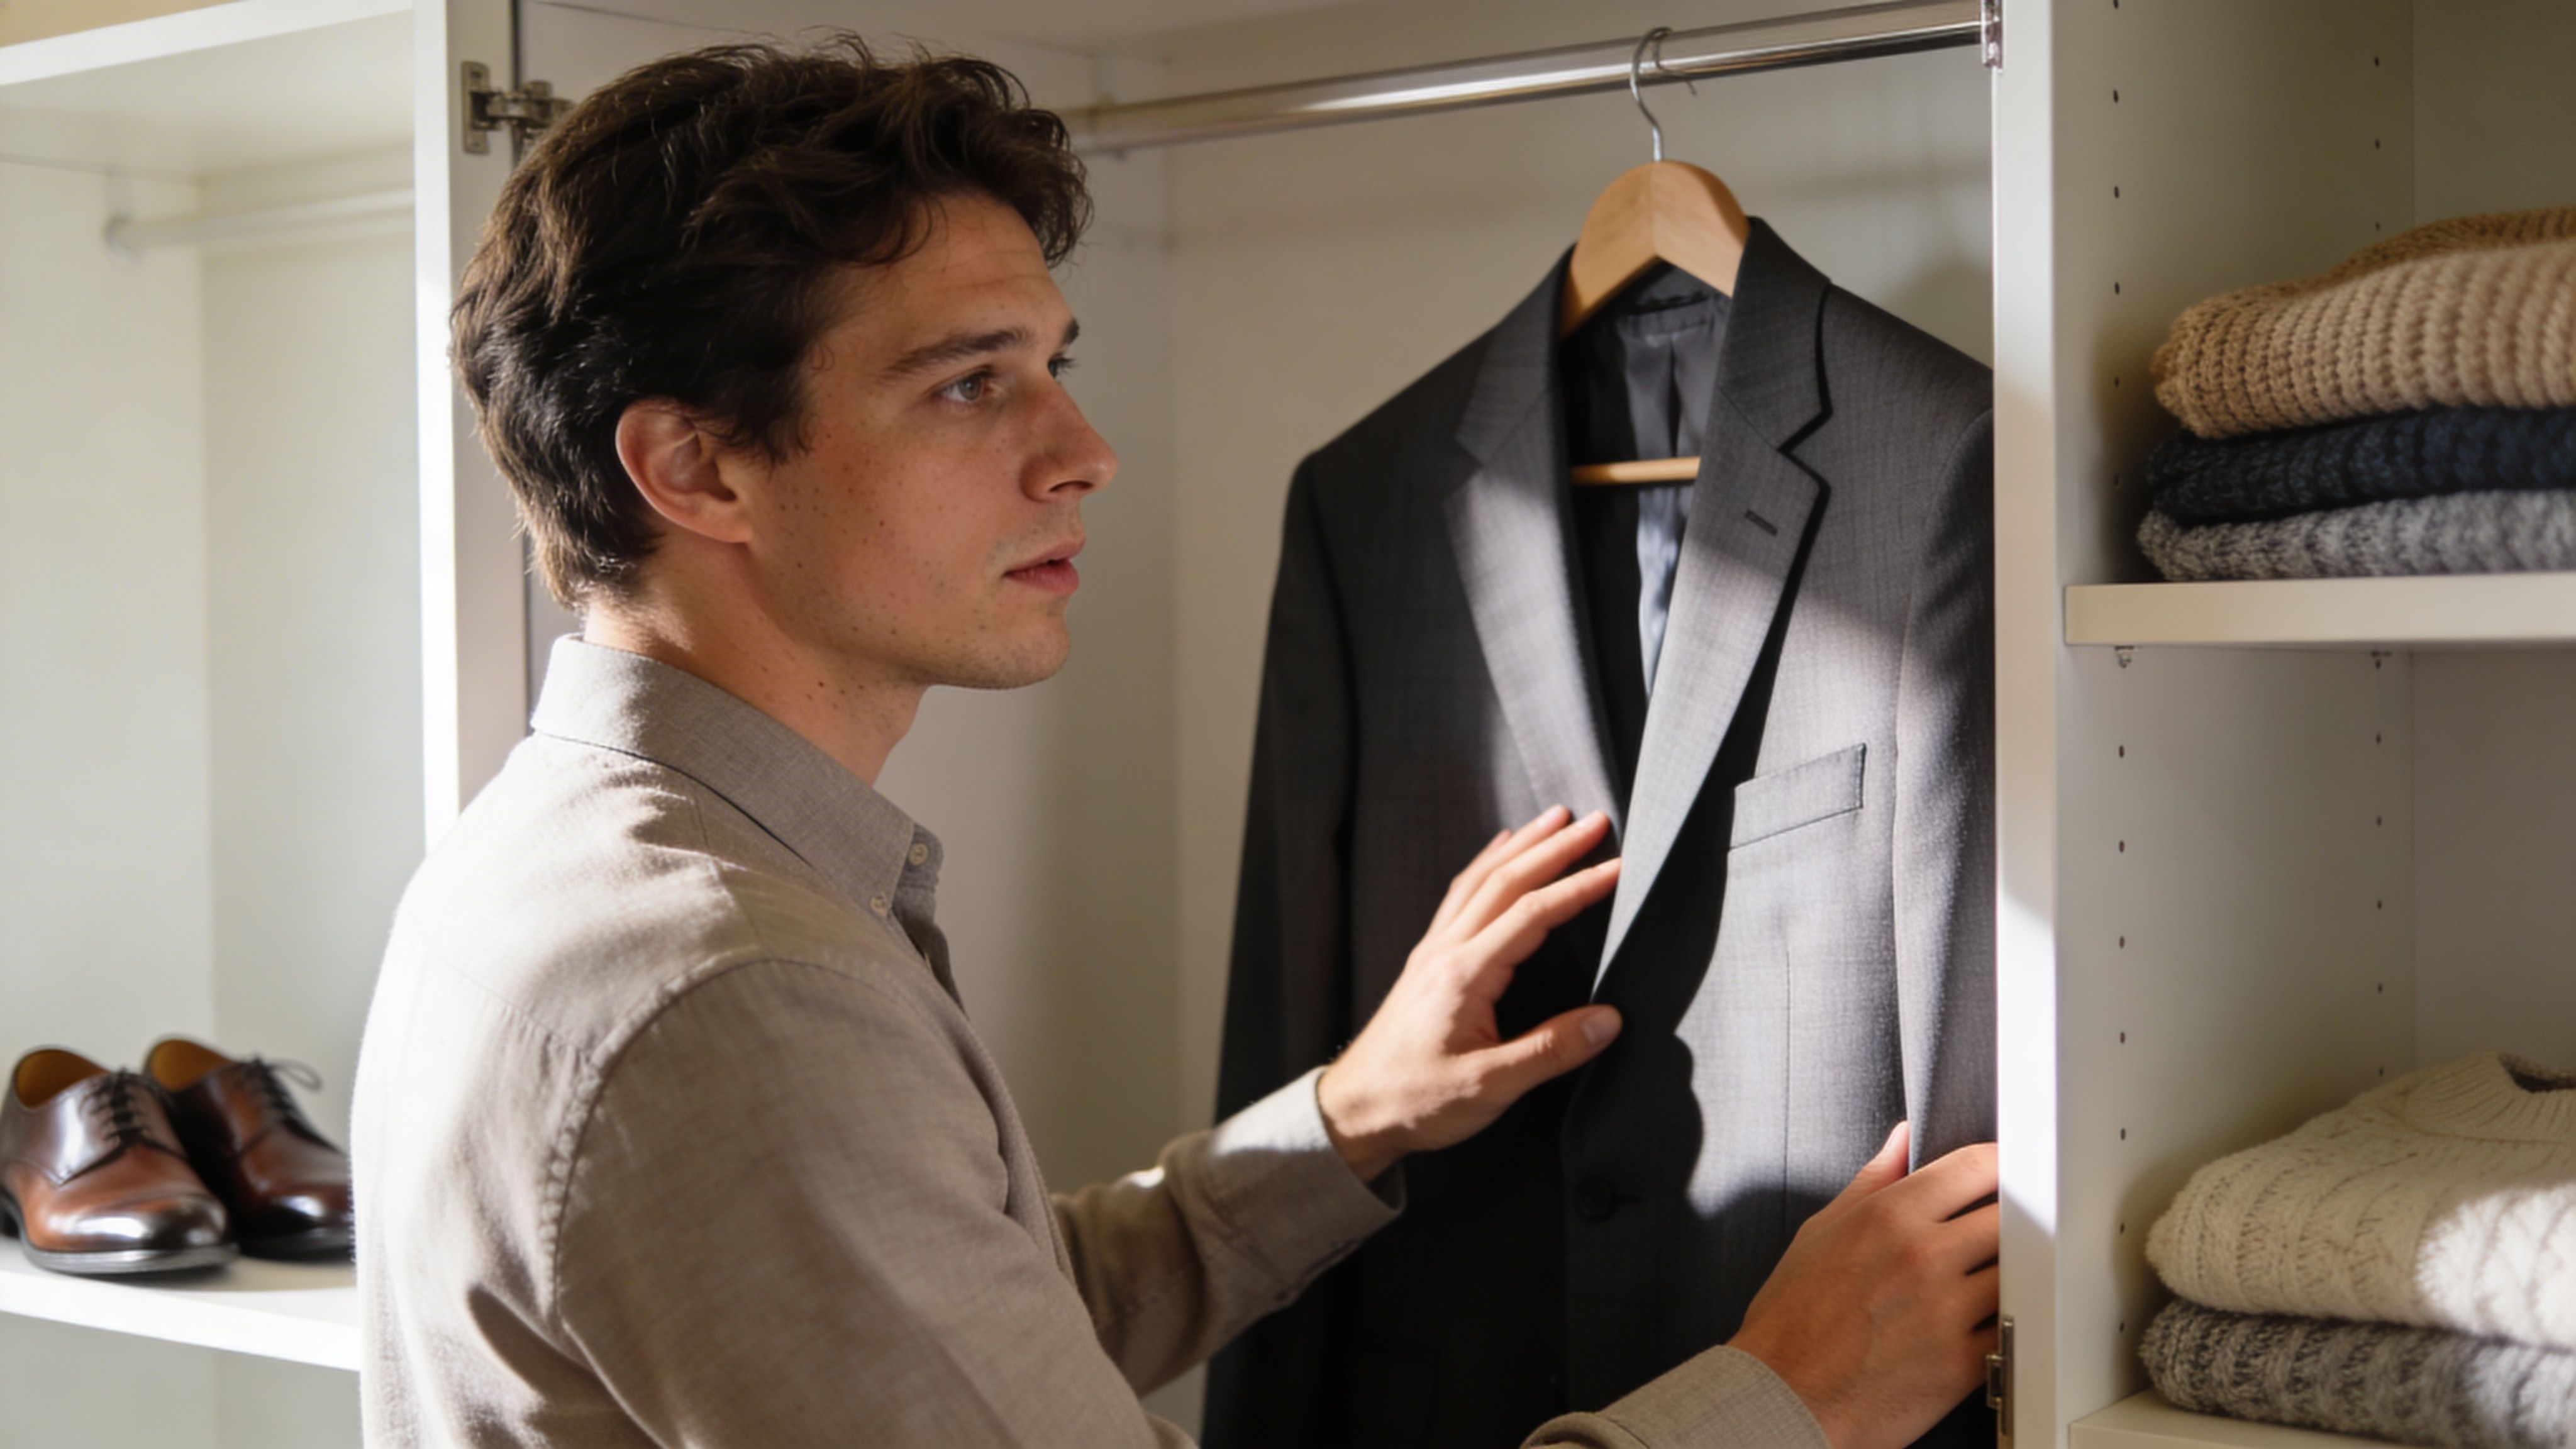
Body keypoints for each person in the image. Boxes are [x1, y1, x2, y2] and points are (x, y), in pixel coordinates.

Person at [350, 36, 2000, 1449]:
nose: (1084, 451)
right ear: (696, 470)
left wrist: (1354, 1113)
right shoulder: (726, 987)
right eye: (968, 386)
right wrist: (1783, 1402)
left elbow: (981, 1336)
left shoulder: (572, 860)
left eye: (1053, 365)